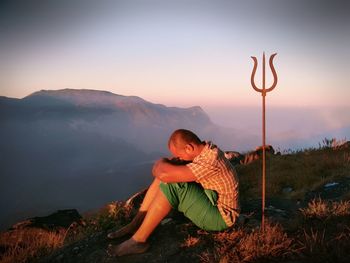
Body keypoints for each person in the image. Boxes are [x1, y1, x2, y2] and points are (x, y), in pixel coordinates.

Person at [107, 129, 240, 256]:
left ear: (189, 148)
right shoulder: (206, 150)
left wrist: (163, 162)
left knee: (172, 183)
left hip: (221, 218)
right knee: (165, 177)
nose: (178, 158)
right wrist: (169, 166)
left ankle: (137, 241)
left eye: (179, 155)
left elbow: (163, 173)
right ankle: (135, 224)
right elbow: (162, 173)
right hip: (212, 202)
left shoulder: (210, 161)